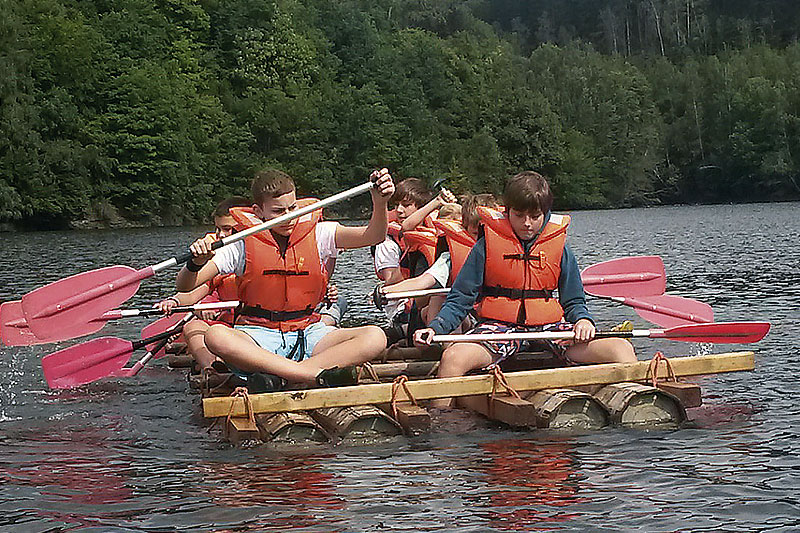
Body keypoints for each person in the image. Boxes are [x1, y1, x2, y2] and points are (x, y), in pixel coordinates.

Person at [414, 171, 637, 406]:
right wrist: (436, 327)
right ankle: (442, 428)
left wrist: (583, 321)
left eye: (534, 216)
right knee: (453, 357)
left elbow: (573, 301)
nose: (527, 223)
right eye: (519, 215)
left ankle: (634, 407)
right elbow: (460, 299)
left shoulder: (560, 248)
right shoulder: (485, 246)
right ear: (508, 211)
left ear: (545, 214)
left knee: (620, 348)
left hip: (550, 328)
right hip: (500, 327)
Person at [175, 168, 395, 392]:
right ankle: (309, 374)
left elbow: (374, 236)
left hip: (309, 331)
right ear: (258, 211)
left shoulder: (321, 233)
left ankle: (285, 376)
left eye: (292, 208)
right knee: (216, 336)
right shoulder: (240, 244)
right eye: (278, 211)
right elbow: (185, 286)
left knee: (375, 336)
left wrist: (380, 202)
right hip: (259, 335)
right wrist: (196, 262)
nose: (289, 217)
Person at [155, 196, 250, 370]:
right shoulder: (218, 260)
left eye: (228, 229)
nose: (221, 235)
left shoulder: (264, 252)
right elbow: (195, 291)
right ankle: (212, 369)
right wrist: (175, 301)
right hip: (225, 325)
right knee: (193, 327)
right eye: (218, 229)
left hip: (255, 325)